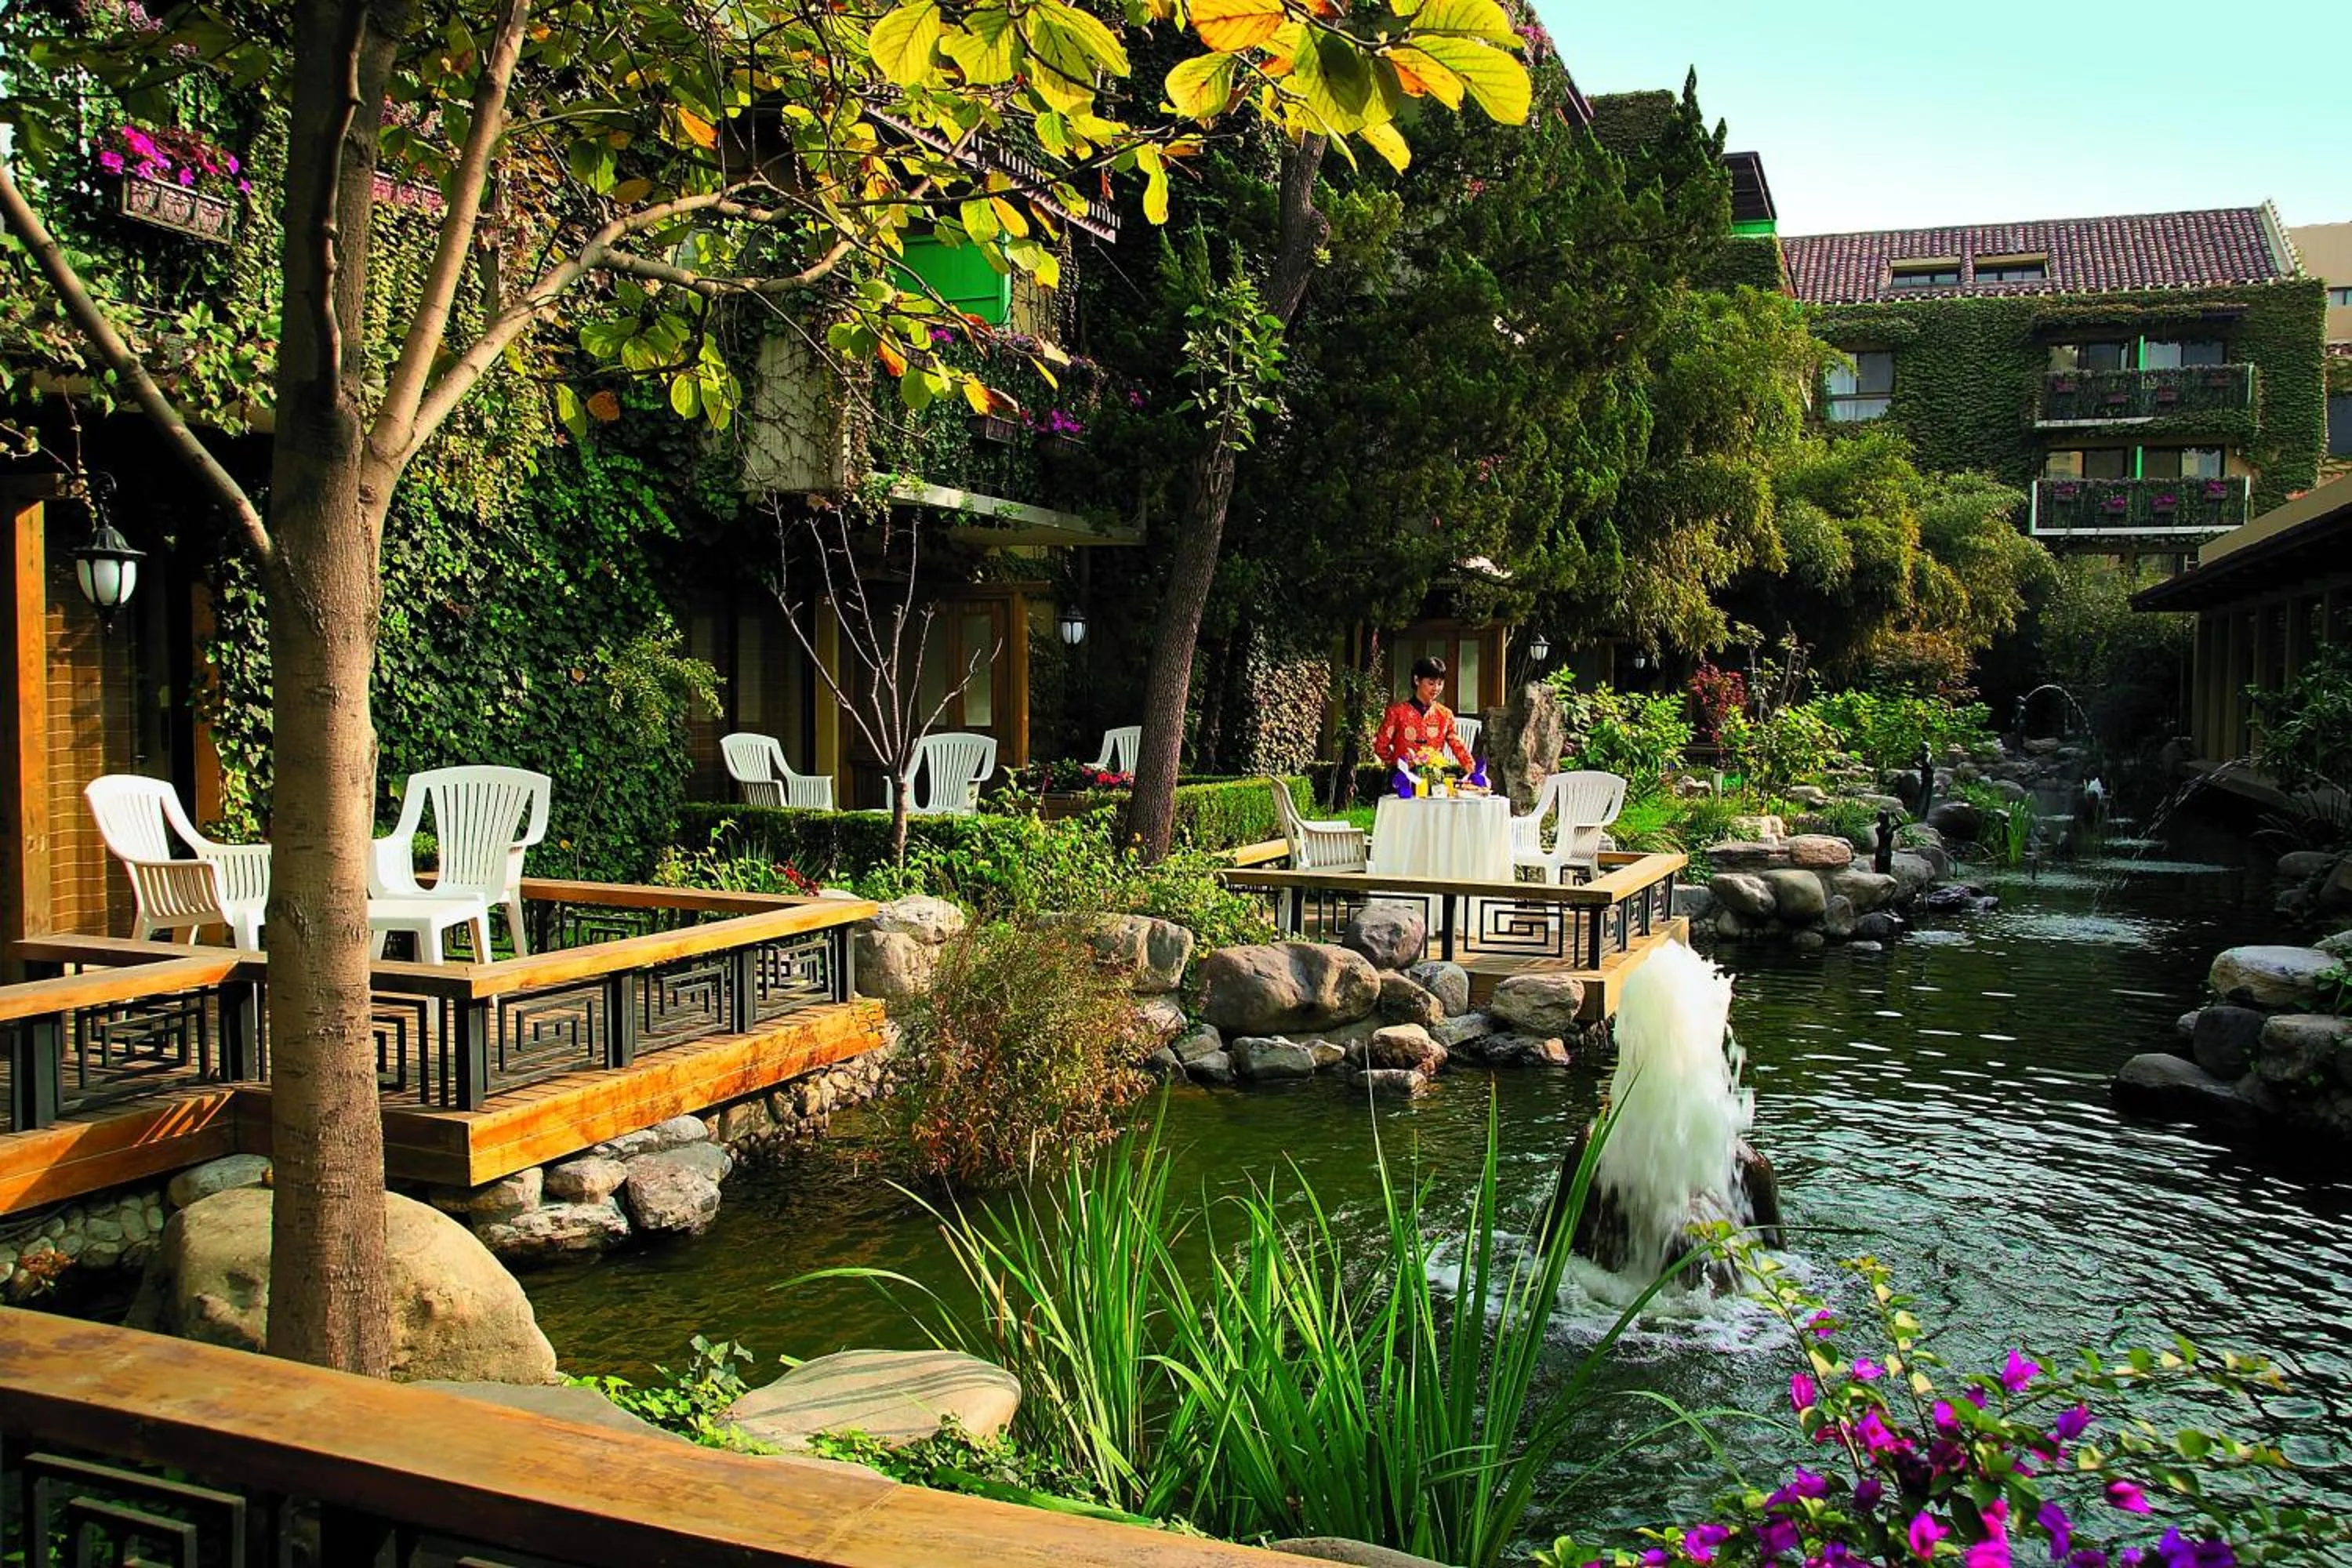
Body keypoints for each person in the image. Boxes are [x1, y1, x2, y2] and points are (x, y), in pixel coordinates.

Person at [1374, 656, 1475, 771]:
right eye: (1431, 683)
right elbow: (1380, 745)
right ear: (1417, 680)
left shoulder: (1445, 714)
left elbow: (1457, 745)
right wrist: (1396, 764)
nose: (1436, 688)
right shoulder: (1396, 712)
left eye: (1440, 684)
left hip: (1434, 778)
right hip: (1402, 779)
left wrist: (1471, 769)